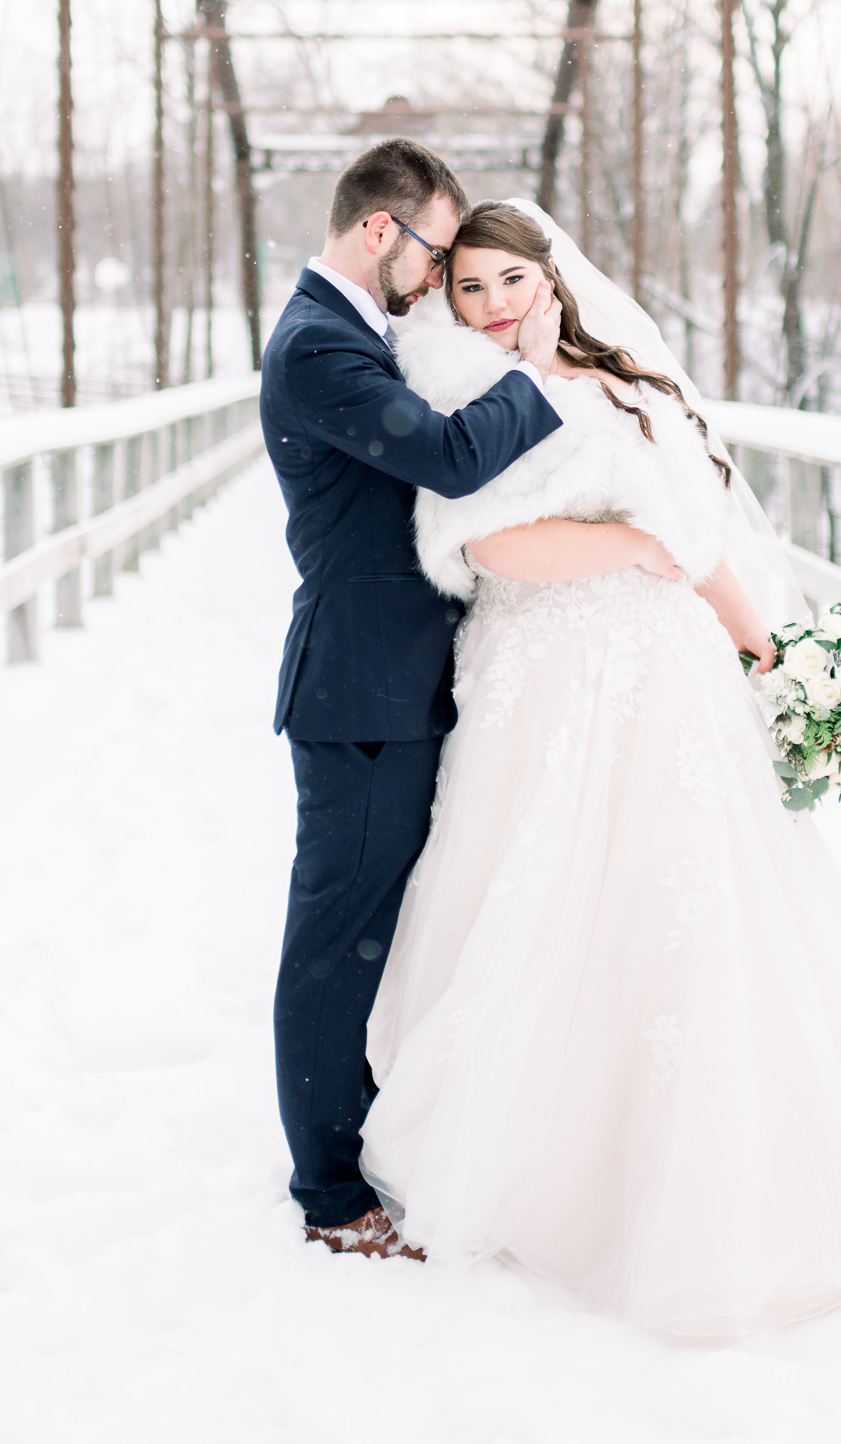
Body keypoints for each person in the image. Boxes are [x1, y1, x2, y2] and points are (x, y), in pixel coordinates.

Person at [361, 199, 841, 1336]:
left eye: (511, 282)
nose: (494, 306)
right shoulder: (462, 398)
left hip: (666, 674)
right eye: (470, 289)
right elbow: (483, 544)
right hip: (544, 677)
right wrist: (626, 548)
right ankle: (552, 1166)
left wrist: (771, 656)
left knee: (691, 896)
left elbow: (695, 538)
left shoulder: (631, 391)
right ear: (445, 302)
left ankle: (719, 1175)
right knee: (547, 894)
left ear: (551, 280)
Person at [261, 143, 565, 1260]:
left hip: (392, 682)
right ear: (383, 233)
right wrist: (535, 377)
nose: (442, 281)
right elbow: (445, 458)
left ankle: (357, 1138)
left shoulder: (357, 332)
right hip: (359, 692)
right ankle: (329, 1193)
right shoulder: (318, 348)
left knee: (369, 932)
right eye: (438, 256)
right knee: (335, 937)